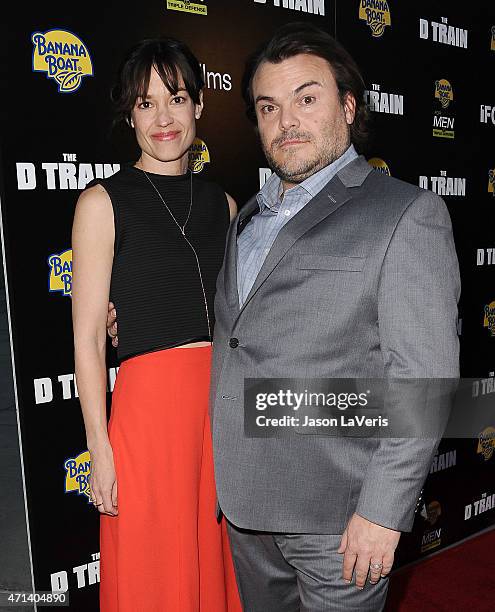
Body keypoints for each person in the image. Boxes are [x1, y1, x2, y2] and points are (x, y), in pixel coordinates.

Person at [108, 23, 460, 611]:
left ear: (348, 106)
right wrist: (137, 319)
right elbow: (237, 332)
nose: (287, 120)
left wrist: (382, 511)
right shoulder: (246, 215)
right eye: (269, 106)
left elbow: (424, 383)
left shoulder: (405, 214)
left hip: (340, 522)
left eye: (307, 97)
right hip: (245, 516)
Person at [72, 37, 241, 612]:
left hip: (217, 410)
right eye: (146, 104)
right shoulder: (102, 202)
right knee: (155, 573)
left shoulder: (224, 206)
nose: (163, 118)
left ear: (198, 104)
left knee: (215, 566)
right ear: (130, 115)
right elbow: (89, 337)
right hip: (148, 417)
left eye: (175, 98)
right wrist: (99, 446)